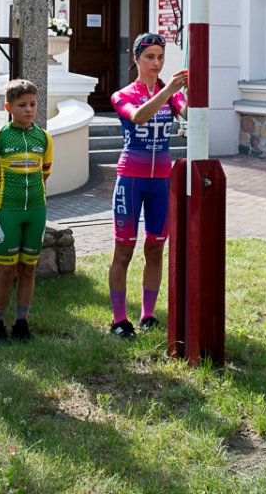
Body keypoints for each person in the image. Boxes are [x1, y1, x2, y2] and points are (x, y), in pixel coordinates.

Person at [108, 32, 188, 338]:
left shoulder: (172, 95)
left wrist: (190, 91)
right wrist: (168, 90)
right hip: (131, 180)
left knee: (155, 249)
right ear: (136, 59)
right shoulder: (123, 94)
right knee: (123, 252)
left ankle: (148, 314)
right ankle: (118, 320)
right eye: (149, 57)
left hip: (161, 183)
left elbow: (192, 115)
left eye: (160, 57)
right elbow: (139, 117)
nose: (156, 63)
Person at [0, 78, 53, 342]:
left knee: (29, 268)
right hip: (7, 211)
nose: (29, 110)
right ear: (9, 107)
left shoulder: (43, 138)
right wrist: (2, 189)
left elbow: (45, 173)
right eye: (22, 105)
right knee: (6, 270)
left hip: (36, 211)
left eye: (32, 104)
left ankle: (22, 322)